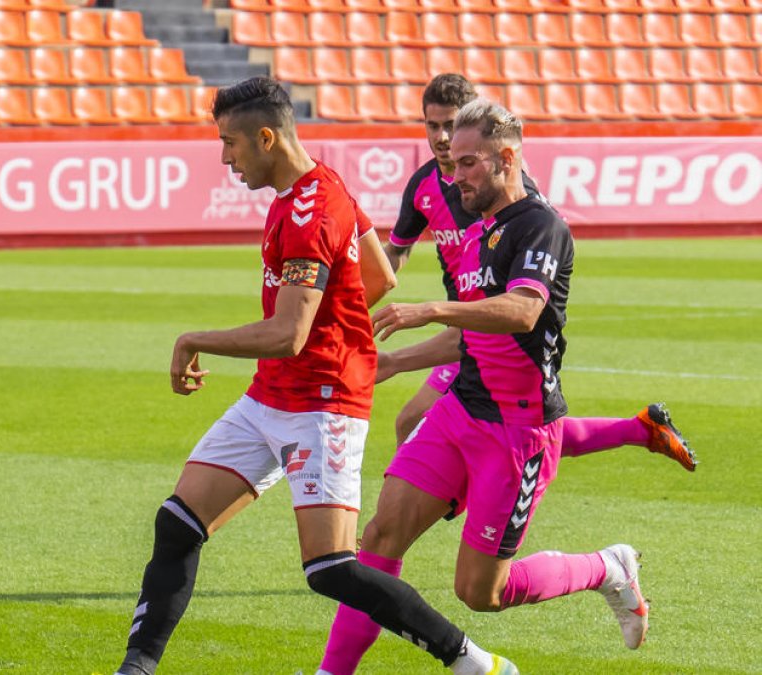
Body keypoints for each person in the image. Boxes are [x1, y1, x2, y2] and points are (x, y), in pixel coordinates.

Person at [114, 78, 518, 675]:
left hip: (322, 405)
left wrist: (193, 339)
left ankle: (471, 662)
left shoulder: (310, 210)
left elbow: (288, 333)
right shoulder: (323, 184)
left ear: (267, 137)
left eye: (230, 144)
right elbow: (380, 277)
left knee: (329, 568)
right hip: (273, 395)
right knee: (176, 524)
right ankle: (136, 669)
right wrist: (342, 328)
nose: (225, 158)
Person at [315, 99, 650, 675]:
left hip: (518, 432)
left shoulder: (542, 226)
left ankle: (608, 568)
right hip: (459, 412)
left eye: (469, 162)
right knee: (381, 533)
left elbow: (520, 312)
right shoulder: (478, 230)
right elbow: (470, 333)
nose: (454, 172)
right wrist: (399, 362)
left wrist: (431, 309)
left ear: (507, 158)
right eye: (451, 161)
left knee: (479, 591)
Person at [382, 74, 695, 471]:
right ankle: (640, 429)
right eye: (433, 125)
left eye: (451, 124)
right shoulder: (423, 185)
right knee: (522, 432)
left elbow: (529, 286)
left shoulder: (507, 196)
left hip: (497, 330)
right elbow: (397, 249)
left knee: (423, 421)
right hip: (465, 324)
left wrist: (402, 348)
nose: (443, 137)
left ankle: (410, 517)